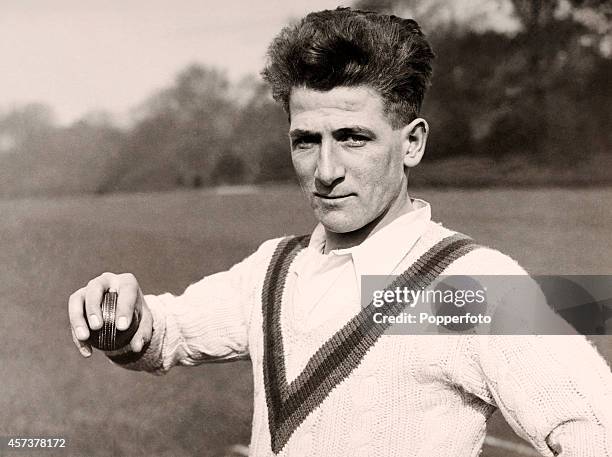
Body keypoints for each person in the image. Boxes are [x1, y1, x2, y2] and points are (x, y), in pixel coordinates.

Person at [68, 7, 612, 457]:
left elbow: (594, 427)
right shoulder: (273, 269)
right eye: (306, 140)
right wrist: (122, 317)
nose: (325, 170)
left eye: (353, 137)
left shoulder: (470, 284)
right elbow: (168, 333)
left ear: (413, 143)